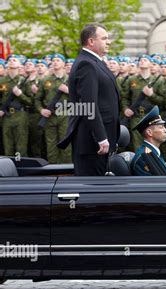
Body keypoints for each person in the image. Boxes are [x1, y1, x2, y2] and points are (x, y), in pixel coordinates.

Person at [57, 23, 120, 176]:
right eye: (104, 38)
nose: (108, 42)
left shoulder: (94, 61)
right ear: (91, 41)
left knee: (100, 191)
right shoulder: (86, 63)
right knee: (92, 191)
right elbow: (88, 105)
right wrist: (101, 137)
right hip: (92, 142)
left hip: (98, 141)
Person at [131, 106, 166, 176]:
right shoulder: (144, 157)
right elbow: (155, 184)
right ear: (149, 132)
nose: (165, 130)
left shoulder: (153, 152)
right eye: (161, 127)